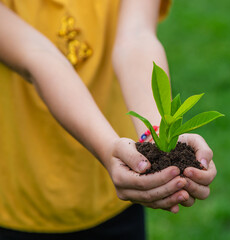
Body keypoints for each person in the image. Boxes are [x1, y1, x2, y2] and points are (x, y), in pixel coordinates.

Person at [0, 0, 217, 239]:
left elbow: (136, 36)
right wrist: (107, 148)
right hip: (19, 199)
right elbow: (38, 57)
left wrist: (159, 137)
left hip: (115, 197)